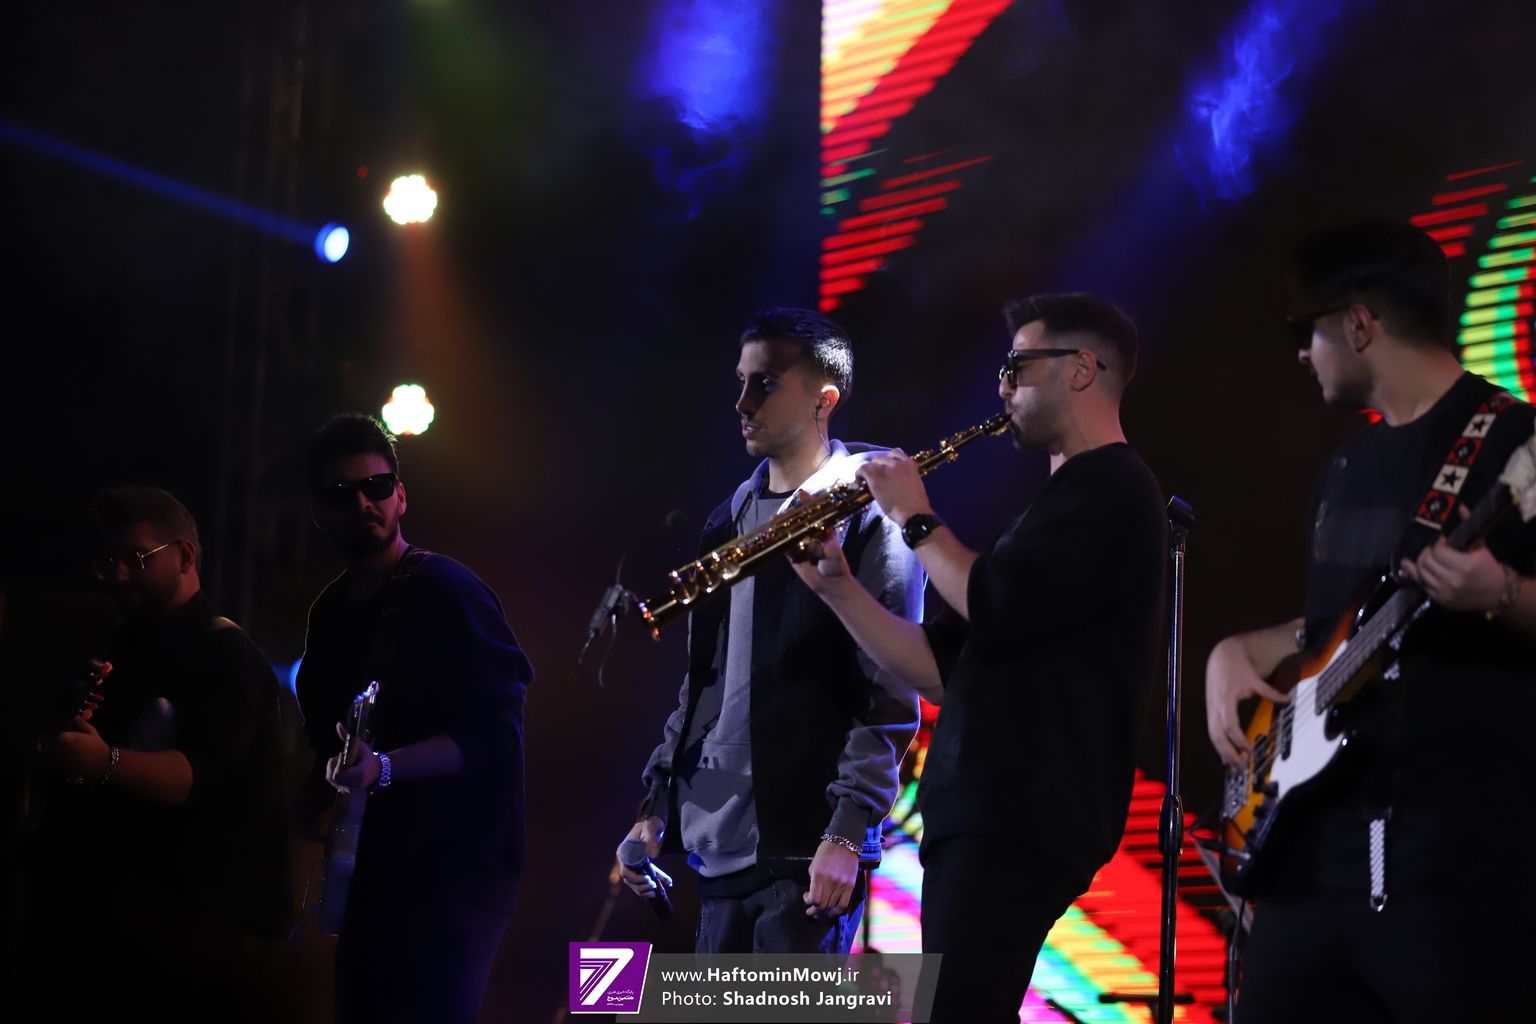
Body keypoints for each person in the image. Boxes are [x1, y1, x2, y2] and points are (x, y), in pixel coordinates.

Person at [790, 293, 1167, 1023]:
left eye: (1018, 367)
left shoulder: (1112, 486)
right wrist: (837, 588)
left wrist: (913, 515)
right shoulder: (1054, 507)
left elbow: (989, 598)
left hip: (1020, 813)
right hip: (982, 813)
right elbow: (940, 668)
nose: (1003, 387)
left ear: (1081, 369)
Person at [1204, 221, 1536, 1023]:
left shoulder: (1511, 443)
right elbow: (1332, 628)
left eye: (1306, 330)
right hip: (1311, 864)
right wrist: (1235, 652)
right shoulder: (1343, 469)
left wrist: (1500, 592)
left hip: (1452, 864)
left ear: (1358, 325)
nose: (1300, 353)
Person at [620, 308, 924, 955]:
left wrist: (846, 830)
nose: (742, 402)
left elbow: (892, 685)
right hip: (718, 849)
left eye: (765, 383)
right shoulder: (726, 521)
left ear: (823, 400)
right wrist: (658, 809)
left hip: (808, 851)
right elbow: (704, 685)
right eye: (741, 381)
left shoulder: (869, 510)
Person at [294, 414, 533, 1024]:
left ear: (400, 495)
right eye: (341, 494)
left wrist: (384, 767)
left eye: (376, 487)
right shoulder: (328, 614)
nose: (363, 503)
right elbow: (323, 737)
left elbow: (496, 734)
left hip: (455, 870)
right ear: (319, 512)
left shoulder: (449, 591)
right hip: (372, 868)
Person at [28, 486, 292, 1022]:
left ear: (185, 556)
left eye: (136, 557)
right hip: (110, 930)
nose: (119, 574)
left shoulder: (227, 656)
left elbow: (205, 772)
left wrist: (102, 762)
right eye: (108, 562)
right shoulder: (124, 646)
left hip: (185, 942)